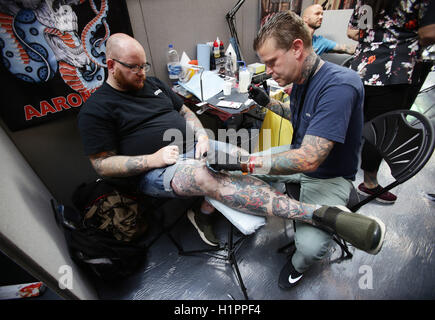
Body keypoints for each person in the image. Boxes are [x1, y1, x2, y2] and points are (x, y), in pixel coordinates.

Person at [77, 33, 386, 282]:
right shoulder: (97, 109)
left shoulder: (153, 85)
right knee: (205, 176)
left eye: (144, 65)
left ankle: (204, 211)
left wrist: (200, 135)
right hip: (155, 168)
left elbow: (184, 111)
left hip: (197, 146)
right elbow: (101, 164)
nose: (142, 72)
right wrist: (152, 159)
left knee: (238, 154)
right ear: (111, 64)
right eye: (134, 67)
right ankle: (314, 213)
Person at [247, 10, 366, 289]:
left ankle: (297, 266)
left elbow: (310, 158)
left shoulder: (339, 85)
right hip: (299, 158)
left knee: (311, 249)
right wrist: (267, 102)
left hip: (328, 175)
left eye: (272, 62)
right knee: (242, 168)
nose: (269, 71)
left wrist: (249, 162)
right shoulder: (301, 79)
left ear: (297, 48)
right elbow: (299, 117)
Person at [347, 0, 435, 204]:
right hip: (392, 71)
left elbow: (355, 32)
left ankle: (340, 176)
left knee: (354, 125)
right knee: (381, 129)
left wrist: (376, 37)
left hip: (362, 68)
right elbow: (428, 33)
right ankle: (369, 183)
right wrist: (403, 40)